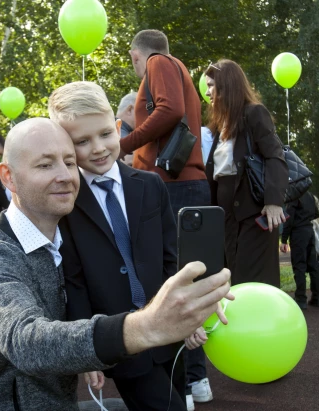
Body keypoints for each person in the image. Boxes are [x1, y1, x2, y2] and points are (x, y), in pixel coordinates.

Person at [0, 117, 233, 410]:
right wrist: (148, 326)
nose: (64, 176)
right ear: (8, 176)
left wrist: (189, 302)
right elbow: (27, 341)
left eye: (70, 162)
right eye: (45, 165)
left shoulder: (60, 245)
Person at [48, 82, 186, 410]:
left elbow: (171, 256)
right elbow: (75, 282)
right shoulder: (67, 204)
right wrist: (87, 349)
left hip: (168, 329)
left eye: (104, 135)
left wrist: (183, 312)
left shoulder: (150, 185)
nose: (97, 148)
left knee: (177, 397)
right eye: (82, 141)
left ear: (118, 128)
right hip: (120, 339)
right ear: (66, 147)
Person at [122, 29, 212, 409]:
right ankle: (195, 380)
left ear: (136, 55)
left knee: (170, 283)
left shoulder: (158, 63)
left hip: (170, 187)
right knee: (188, 282)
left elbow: (169, 111)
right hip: (187, 186)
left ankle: (186, 387)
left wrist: (123, 145)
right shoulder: (180, 68)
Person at [203, 59, 288, 287]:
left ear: (227, 85)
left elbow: (274, 156)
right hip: (227, 216)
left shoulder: (254, 114)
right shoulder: (220, 125)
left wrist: (273, 202)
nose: (208, 91)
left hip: (254, 213)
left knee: (253, 280)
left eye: (212, 85)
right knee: (233, 278)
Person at [280, 191, 319, 309]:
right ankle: (317, 297)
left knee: (299, 266)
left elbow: (289, 219)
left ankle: (301, 298)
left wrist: (284, 240)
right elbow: (316, 214)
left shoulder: (294, 197)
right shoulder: (310, 195)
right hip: (309, 231)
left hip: (298, 234)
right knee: (313, 266)